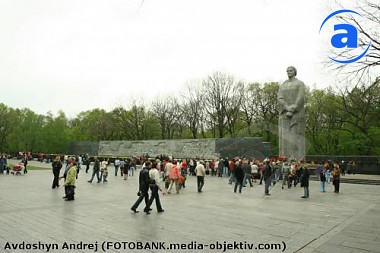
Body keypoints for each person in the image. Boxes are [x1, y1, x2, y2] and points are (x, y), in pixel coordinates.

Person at [278, 66, 306, 161]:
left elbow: (300, 97)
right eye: (287, 71)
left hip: (297, 114)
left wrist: (293, 109)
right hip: (284, 114)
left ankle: (298, 160)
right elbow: (279, 98)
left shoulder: (300, 84)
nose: (289, 72)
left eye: (291, 71)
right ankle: (284, 159)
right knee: (284, 138)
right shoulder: (283, 85)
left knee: (296, 137)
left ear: (295, 72)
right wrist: (287, 107)